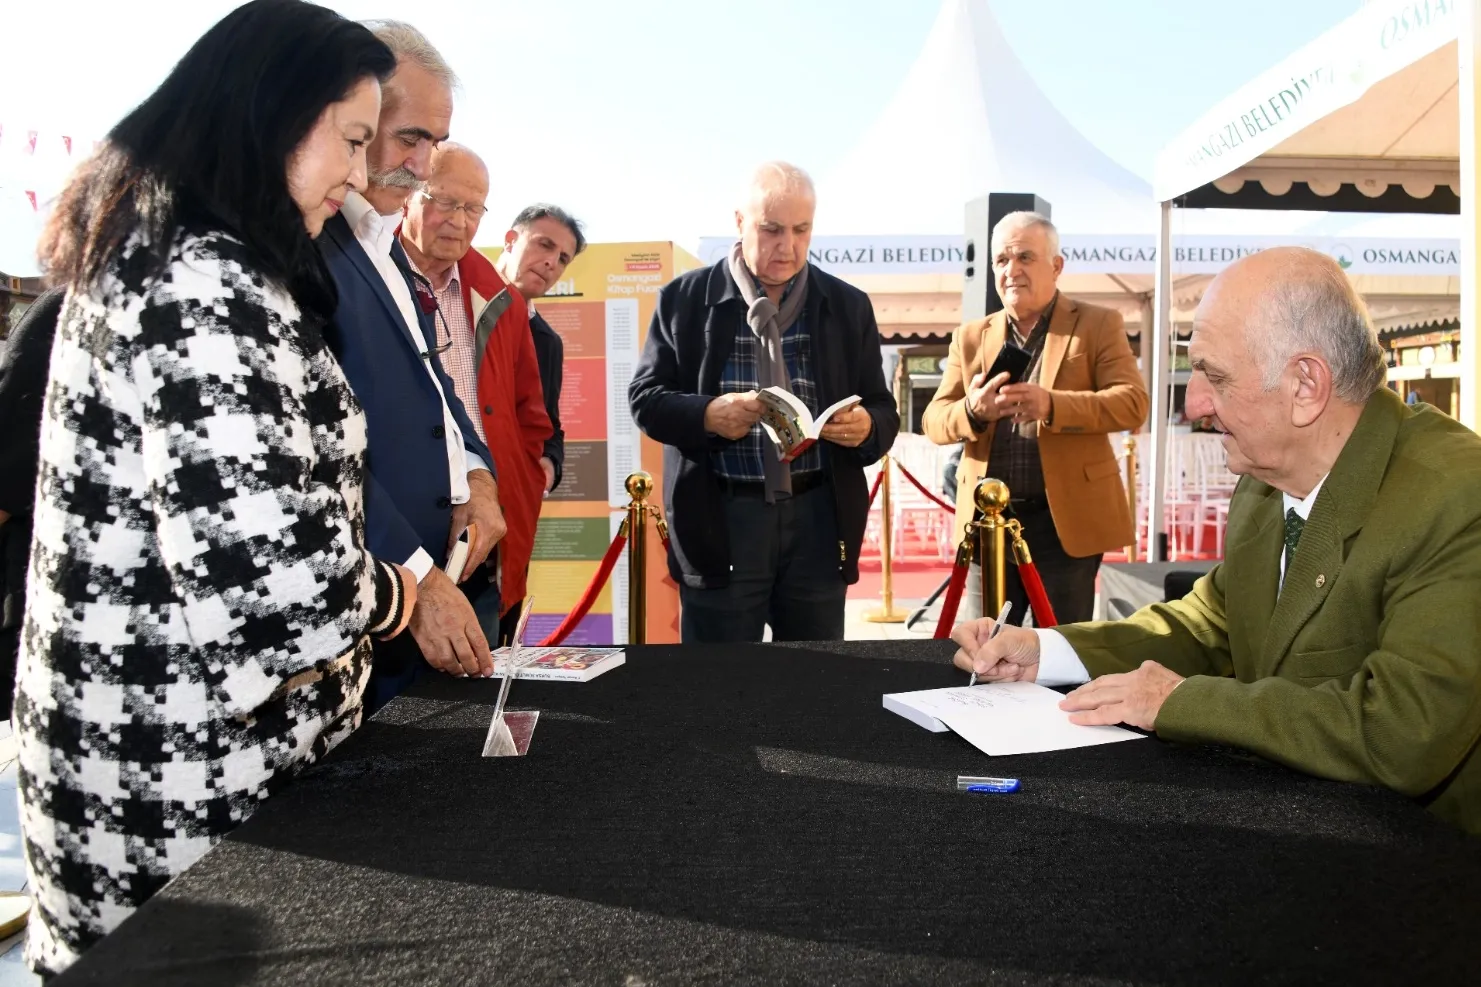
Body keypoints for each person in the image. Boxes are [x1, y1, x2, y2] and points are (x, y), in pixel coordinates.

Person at [18, 2, 415, 973]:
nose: (360, 175)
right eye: (351, 140)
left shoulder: (161, 254)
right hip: (183, 790)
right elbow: (278, 594)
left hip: (154, 763)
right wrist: (403, 594)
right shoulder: (203, 284)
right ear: (271, 113)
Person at [953, 247, 1481, 836]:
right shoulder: (1263, 481)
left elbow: (1402, 733)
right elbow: (1211, 624)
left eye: (1216, 377)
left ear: (1306, 385)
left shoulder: (1457, 496)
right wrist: (1046, 651)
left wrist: (1177, 702)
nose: (1193, 404)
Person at [629, 161, 900, 642]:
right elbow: (646, 399)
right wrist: (706, 415)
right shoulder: (684, 300)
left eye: (801, 230)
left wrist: (867, 427)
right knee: (721, 679)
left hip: (819, 521)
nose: (788, 246)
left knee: (816, 675)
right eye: (772, 229)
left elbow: (883, 408)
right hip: (720, 520)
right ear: (739, 222)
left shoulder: (847, 305)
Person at [318, 21, 506, 708]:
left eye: (435, 142)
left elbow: (436, 391)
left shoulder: (383, 245)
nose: (424, 165)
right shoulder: (306, 248)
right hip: (377, 603)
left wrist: (478, 476)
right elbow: (316, 454)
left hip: (437, 586)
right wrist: (418, 578)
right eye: (409, 139)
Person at [923, 211, 1147, 625]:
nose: (1012, 270)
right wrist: (973, 410)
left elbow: (1133, 403)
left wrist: (1053, 406)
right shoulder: (970, 337)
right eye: (1001, 260)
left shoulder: (1097, 324)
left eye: (1025, 257)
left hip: (1065, 525)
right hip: (988, 525)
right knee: (987, 647)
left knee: (1061, 647)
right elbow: (934, 420)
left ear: (1057, 266)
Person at [399, 145, 553, 645]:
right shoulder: (367, 279)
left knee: (476, 675)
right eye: (444, 202)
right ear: (408, 195)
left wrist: (515, 487)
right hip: (395, 538)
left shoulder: (502, 301)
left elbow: (531, 416)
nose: (459, 221)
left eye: (473, 208)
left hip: (483, 538)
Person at [495, 204, 587, 497]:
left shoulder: (547, 342)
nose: (551, 262)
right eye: (544, 245)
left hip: (507, 498)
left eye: (563, 259)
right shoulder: (452, 298)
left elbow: (549, 426)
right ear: (510, 240)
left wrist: (549, 463)